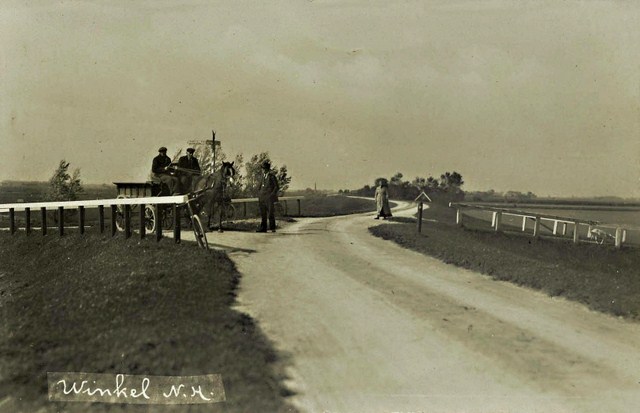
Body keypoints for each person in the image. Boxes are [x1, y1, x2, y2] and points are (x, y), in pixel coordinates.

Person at [256, 160, 279, 232]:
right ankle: (263, 228)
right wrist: (259, 193)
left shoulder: (272, 176)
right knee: (263, 213)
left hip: (269, 198)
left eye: (263, 168)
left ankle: (272, 228)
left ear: (267, 169)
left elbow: (276, 187)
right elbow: (259, 186)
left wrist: (272, 195)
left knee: (270, 213)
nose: (262, 170)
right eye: (262, 168)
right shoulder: (262, 177)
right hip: (262, 197)